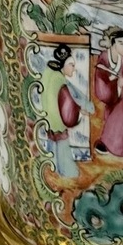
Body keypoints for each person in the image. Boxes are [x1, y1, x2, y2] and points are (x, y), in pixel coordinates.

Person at [40, 43, 92, 179]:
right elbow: (69, 101)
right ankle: (68, 173)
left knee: (52, 148)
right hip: (57, 121)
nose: (74, 69)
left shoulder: (49, 74)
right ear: (64, 65)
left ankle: (54, 171)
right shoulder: (60, 80)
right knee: (62, 148)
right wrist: (81, 110)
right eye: (71, 65)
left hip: (48, 120)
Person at [92, 27, 123, 157]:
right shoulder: (103, 58)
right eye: (121, 43)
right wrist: (116, 85)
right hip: (111, 95)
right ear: (113, 42)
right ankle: (112, 142)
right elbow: (101, 82)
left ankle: (111, 142)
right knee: (117, 110)